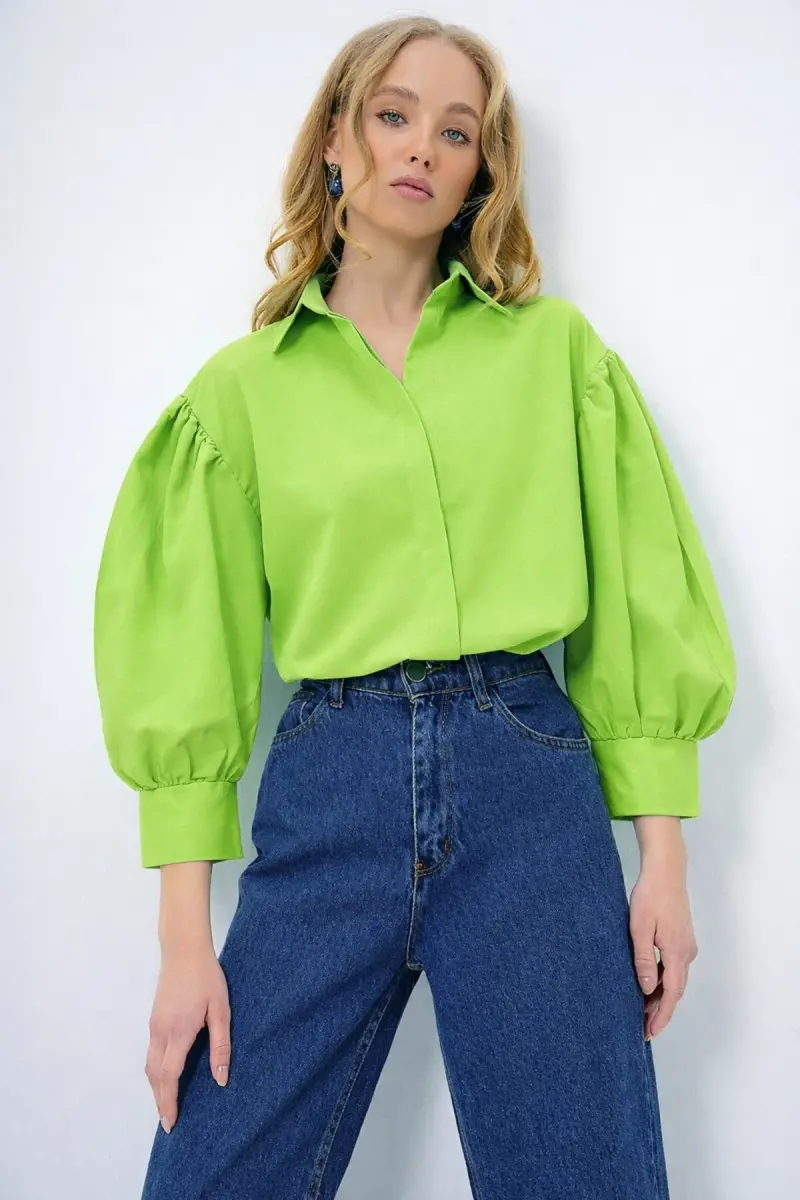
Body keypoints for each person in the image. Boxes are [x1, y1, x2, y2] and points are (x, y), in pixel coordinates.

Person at [93, 15, 736, 1200]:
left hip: (527, 785)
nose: (421, 148)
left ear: (478, 170)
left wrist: (662, 861)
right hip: (328, 786)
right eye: (392, 115)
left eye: (456, 131)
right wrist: (184, 945)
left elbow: (637, 596)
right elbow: (185, 657)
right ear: (335, 140)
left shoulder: (554, 355)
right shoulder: (239, 397)